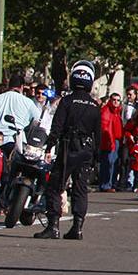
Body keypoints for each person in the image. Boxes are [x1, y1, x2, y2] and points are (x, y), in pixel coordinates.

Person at [35, 60, 102, 240]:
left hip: (68, 147)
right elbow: (98, 134)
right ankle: (77, 227)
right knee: (80, 188)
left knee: (55, 186)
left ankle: (53, 226)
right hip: (86, 149)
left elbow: (57, 126)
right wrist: (96, 157)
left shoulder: (67, 101)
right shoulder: (94, 106)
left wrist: (50, 145)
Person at [0, 70, 43, 214]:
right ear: (22, 87)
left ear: (9, 85)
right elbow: (37, 122)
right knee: (11, 174)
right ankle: (3, 204)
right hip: (15, 142)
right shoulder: (27, 102)